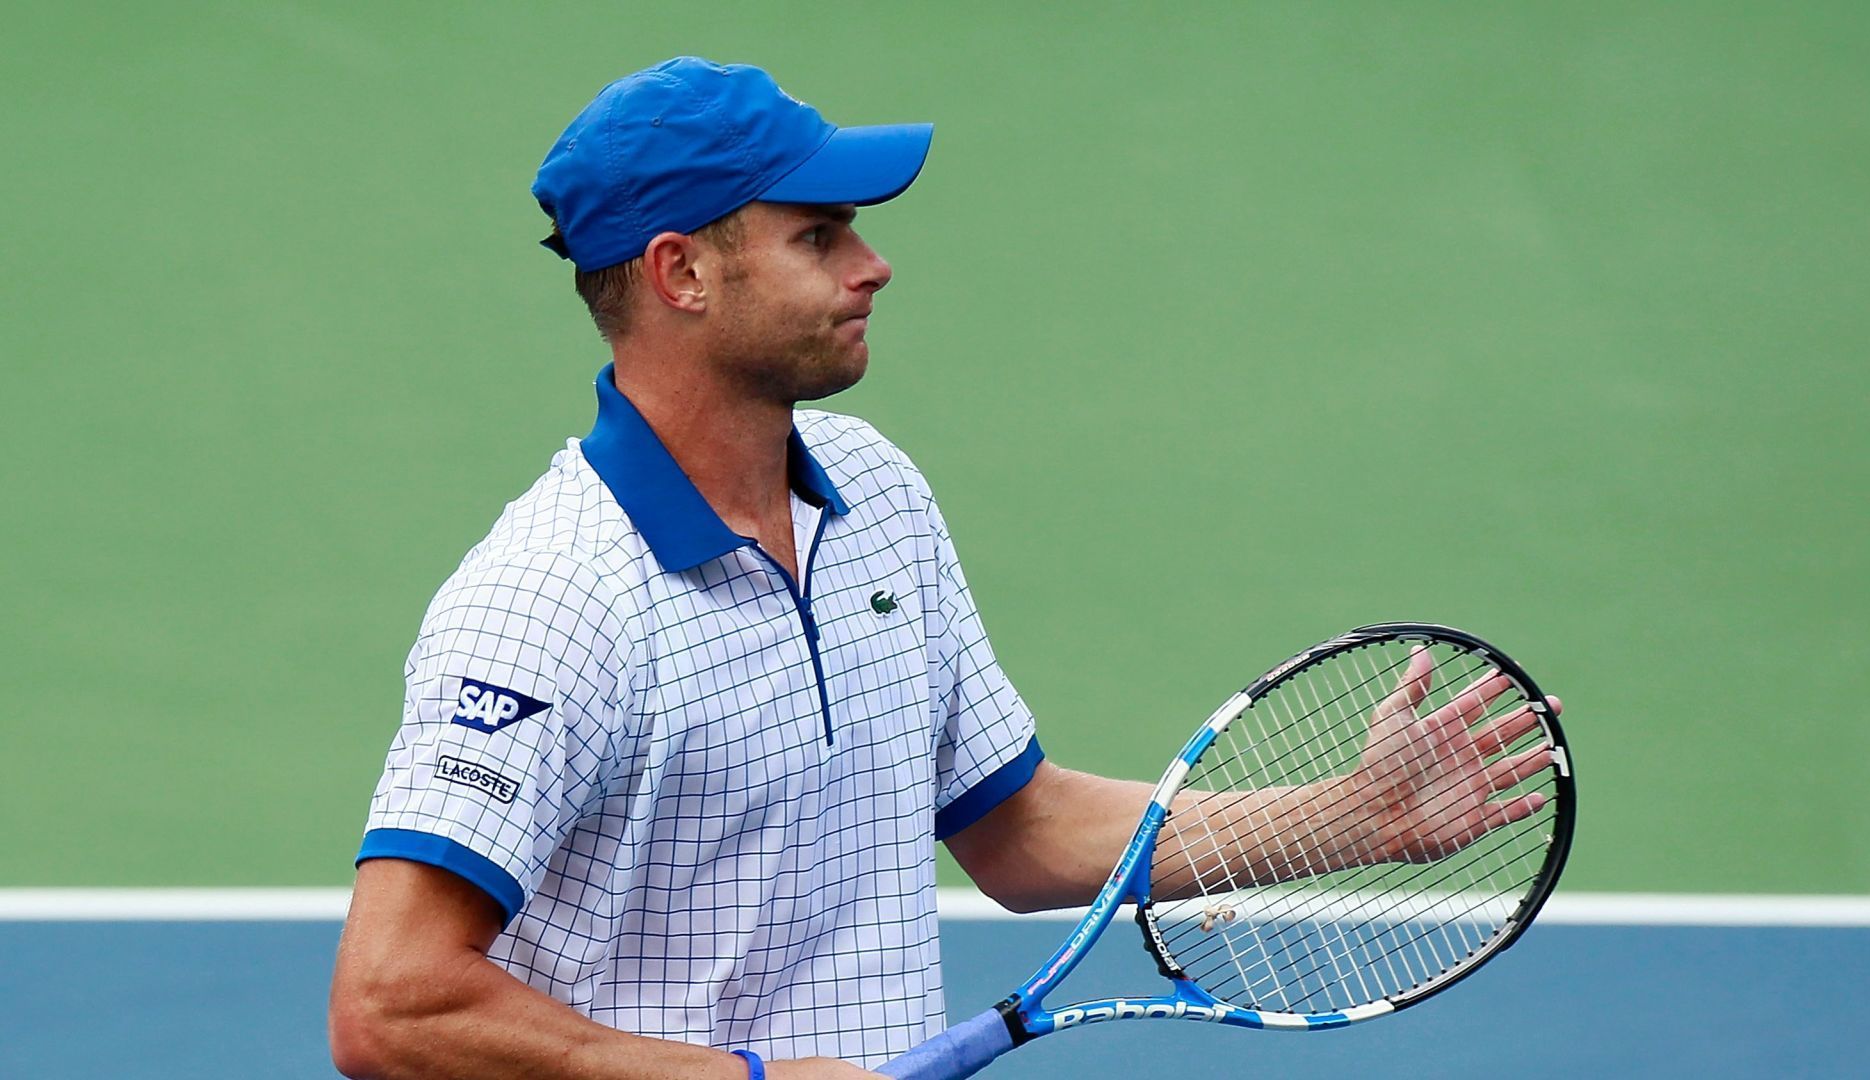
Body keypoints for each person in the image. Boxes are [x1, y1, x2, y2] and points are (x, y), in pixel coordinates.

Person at [328, 57, 1555, 1080]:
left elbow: (1018, 829)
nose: (872, 264)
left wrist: (1355, 816)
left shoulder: (874, 496)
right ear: (681, 274)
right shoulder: (549, 600)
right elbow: (391, 1005)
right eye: (820, 234)